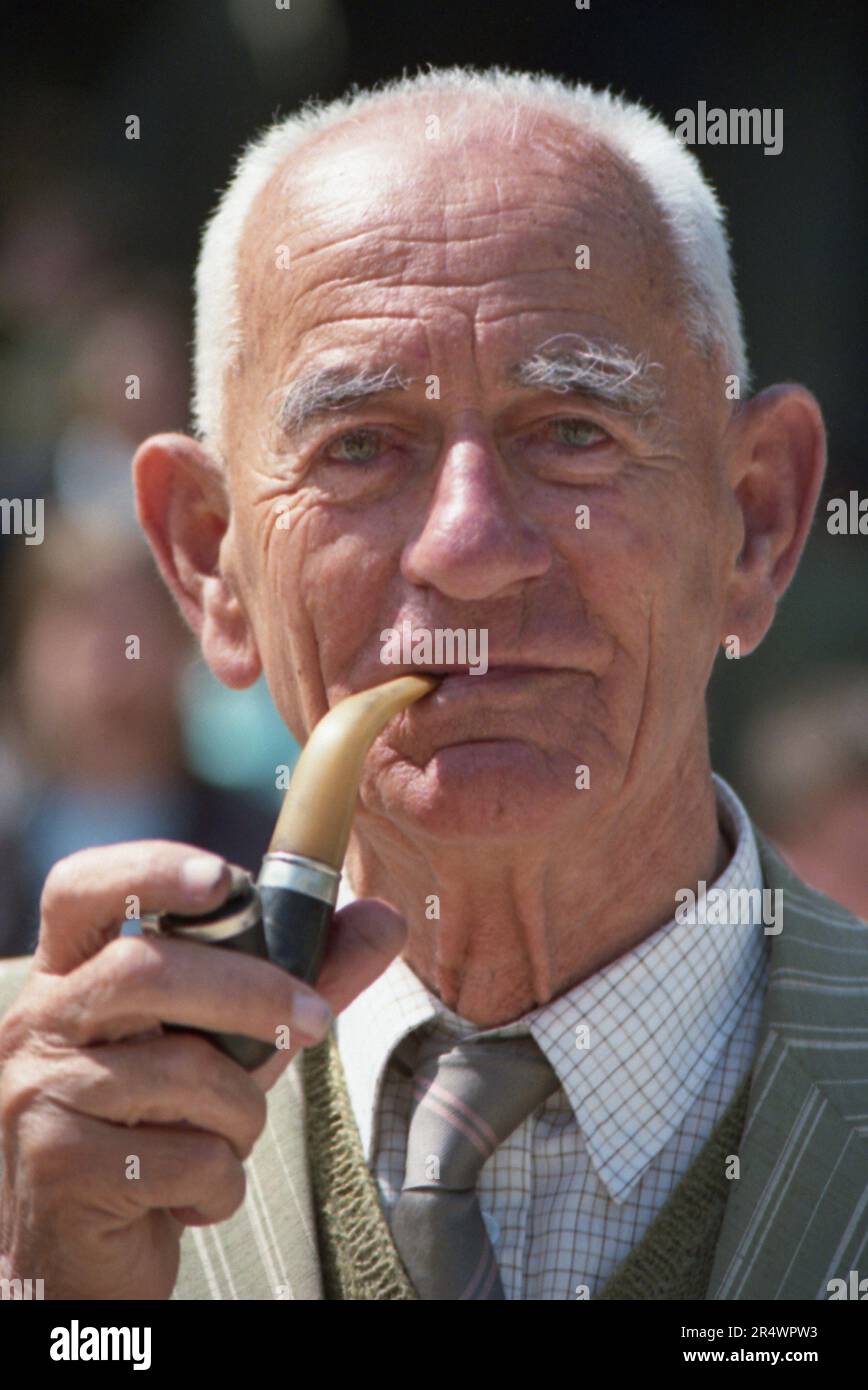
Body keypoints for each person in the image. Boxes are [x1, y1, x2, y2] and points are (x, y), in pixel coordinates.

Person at [1, 66, 865, 1302]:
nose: (467, 546)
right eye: (359, 447)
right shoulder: (46, 1126)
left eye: (572, 431)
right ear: (209, 561)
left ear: (755, 519)